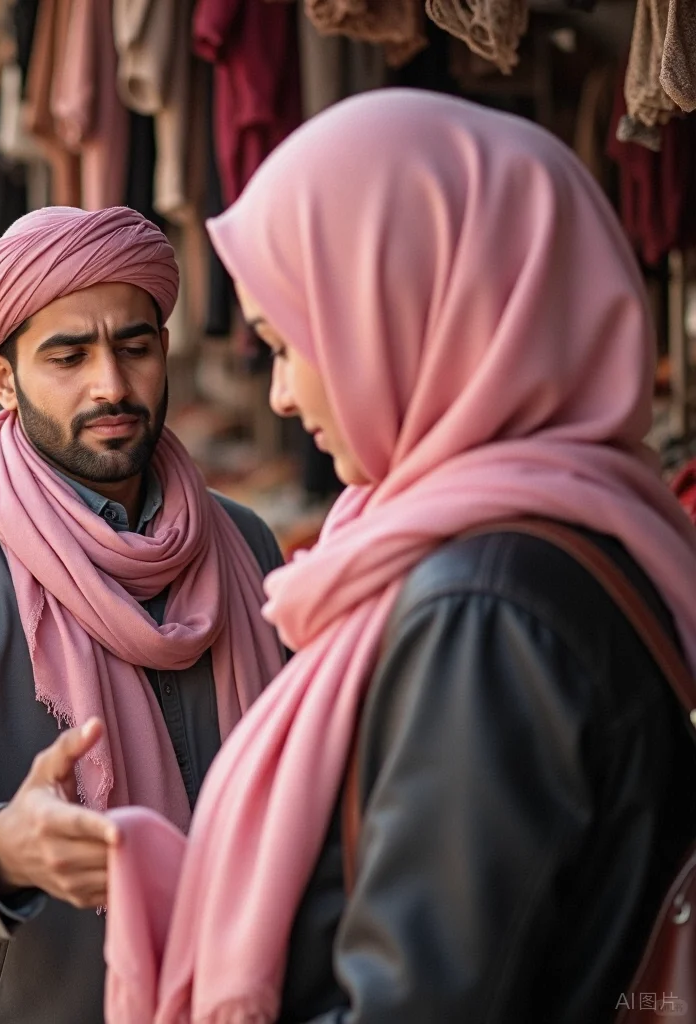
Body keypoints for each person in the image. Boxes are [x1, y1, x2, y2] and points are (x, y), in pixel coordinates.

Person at [102, 91, 696, 1024]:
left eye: (287, 344)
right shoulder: (579, 545)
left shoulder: (485, 610)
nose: (284, 397)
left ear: (417, 311)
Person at [0, 205, 286, 1023]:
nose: (111, 384)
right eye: (68, 355)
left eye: (135, 347)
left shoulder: (244, 544)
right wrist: (2, 849)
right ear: (3, 378)